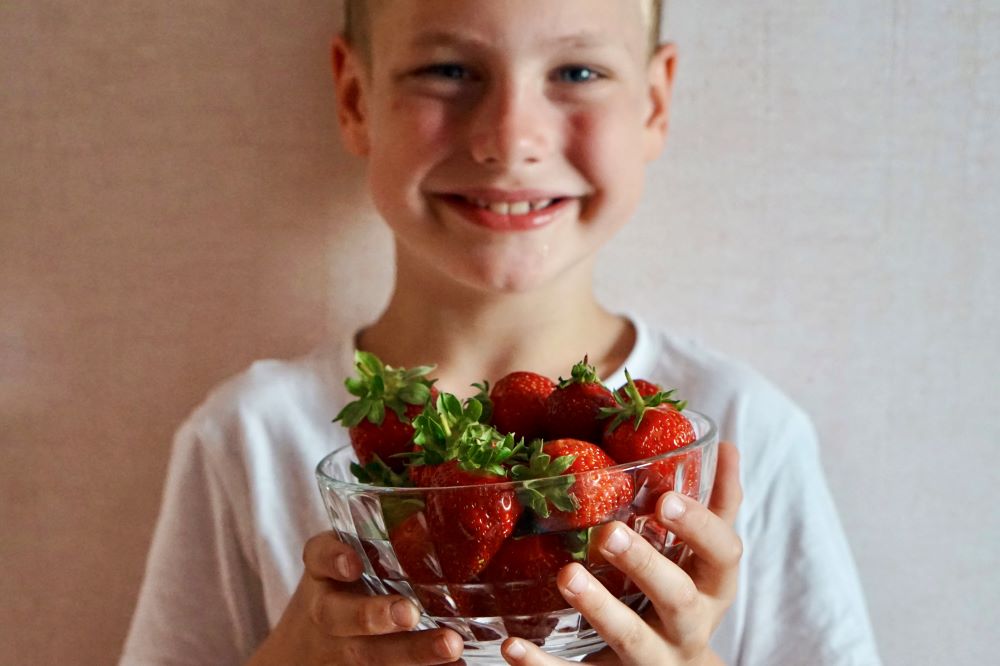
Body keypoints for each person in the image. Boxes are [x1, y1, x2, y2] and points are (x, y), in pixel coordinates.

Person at [120, 1, 882, 664]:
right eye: (449, 69)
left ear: (654, 103)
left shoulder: (742, 435)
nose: (509, 137)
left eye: (577, 72)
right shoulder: (246, 437)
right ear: (356, 97)